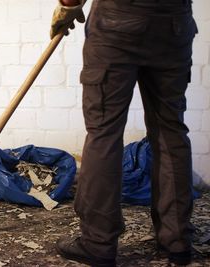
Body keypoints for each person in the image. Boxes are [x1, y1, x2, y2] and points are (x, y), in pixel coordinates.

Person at [50, 0, 197, 266]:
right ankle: (177, 241)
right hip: (174, 23)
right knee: (170, 131)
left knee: (103, 134)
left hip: (116, 23)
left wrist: (68, 6)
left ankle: (97, 243)